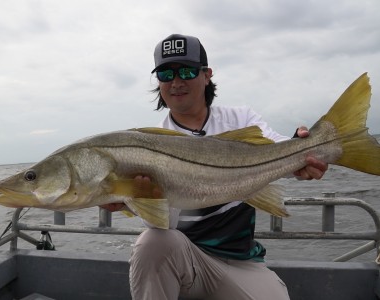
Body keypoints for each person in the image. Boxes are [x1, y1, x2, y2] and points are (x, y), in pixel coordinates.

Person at [102, 34, 328, 300]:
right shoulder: (151, 142)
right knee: (151, 242)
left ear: (207, 75)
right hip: (186, 262)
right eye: (165, 74)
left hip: (241, 261)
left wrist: (305, 152)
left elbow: (278, 148)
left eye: (186, 71)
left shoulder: (241, 119)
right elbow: (164, 226)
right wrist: (145, 199)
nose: (176, 82)